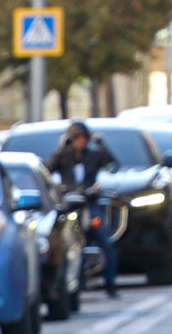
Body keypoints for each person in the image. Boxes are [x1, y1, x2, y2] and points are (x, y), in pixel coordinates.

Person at [45, 121, 119, 298]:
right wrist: (60, 150)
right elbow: (46, 171)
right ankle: (72, 283)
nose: (81, 141)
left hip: (89, 203)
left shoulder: (94, 155)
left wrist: (102, 146)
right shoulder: (63, 156)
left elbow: (113, 167)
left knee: (105, 241)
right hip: (69, 205)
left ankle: (110, 283)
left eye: (84, 137)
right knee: (66, 242)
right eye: (77, 137)